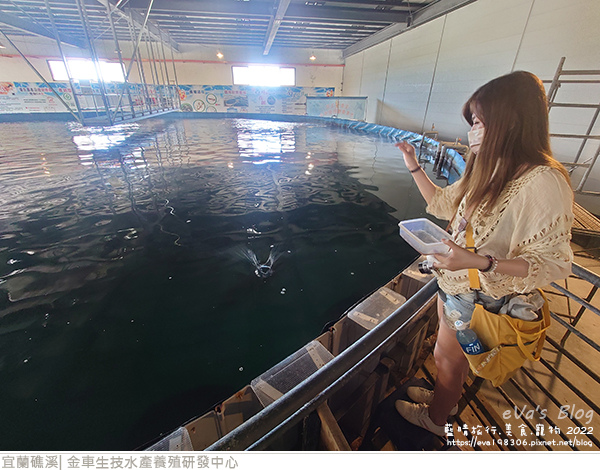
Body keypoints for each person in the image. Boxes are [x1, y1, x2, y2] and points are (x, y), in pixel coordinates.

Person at [394, 71, 574, 436]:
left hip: (482, 295)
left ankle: (435, 420)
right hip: (455, 285)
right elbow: (441, 204)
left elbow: (554, 263)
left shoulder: (543, 182)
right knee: (452, 357)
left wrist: (477, 261)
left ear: (508, 120)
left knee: (446, 357)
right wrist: (413, 164)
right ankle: (447, 397)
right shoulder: (490, 169)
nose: (473, 130)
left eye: (478, 121)